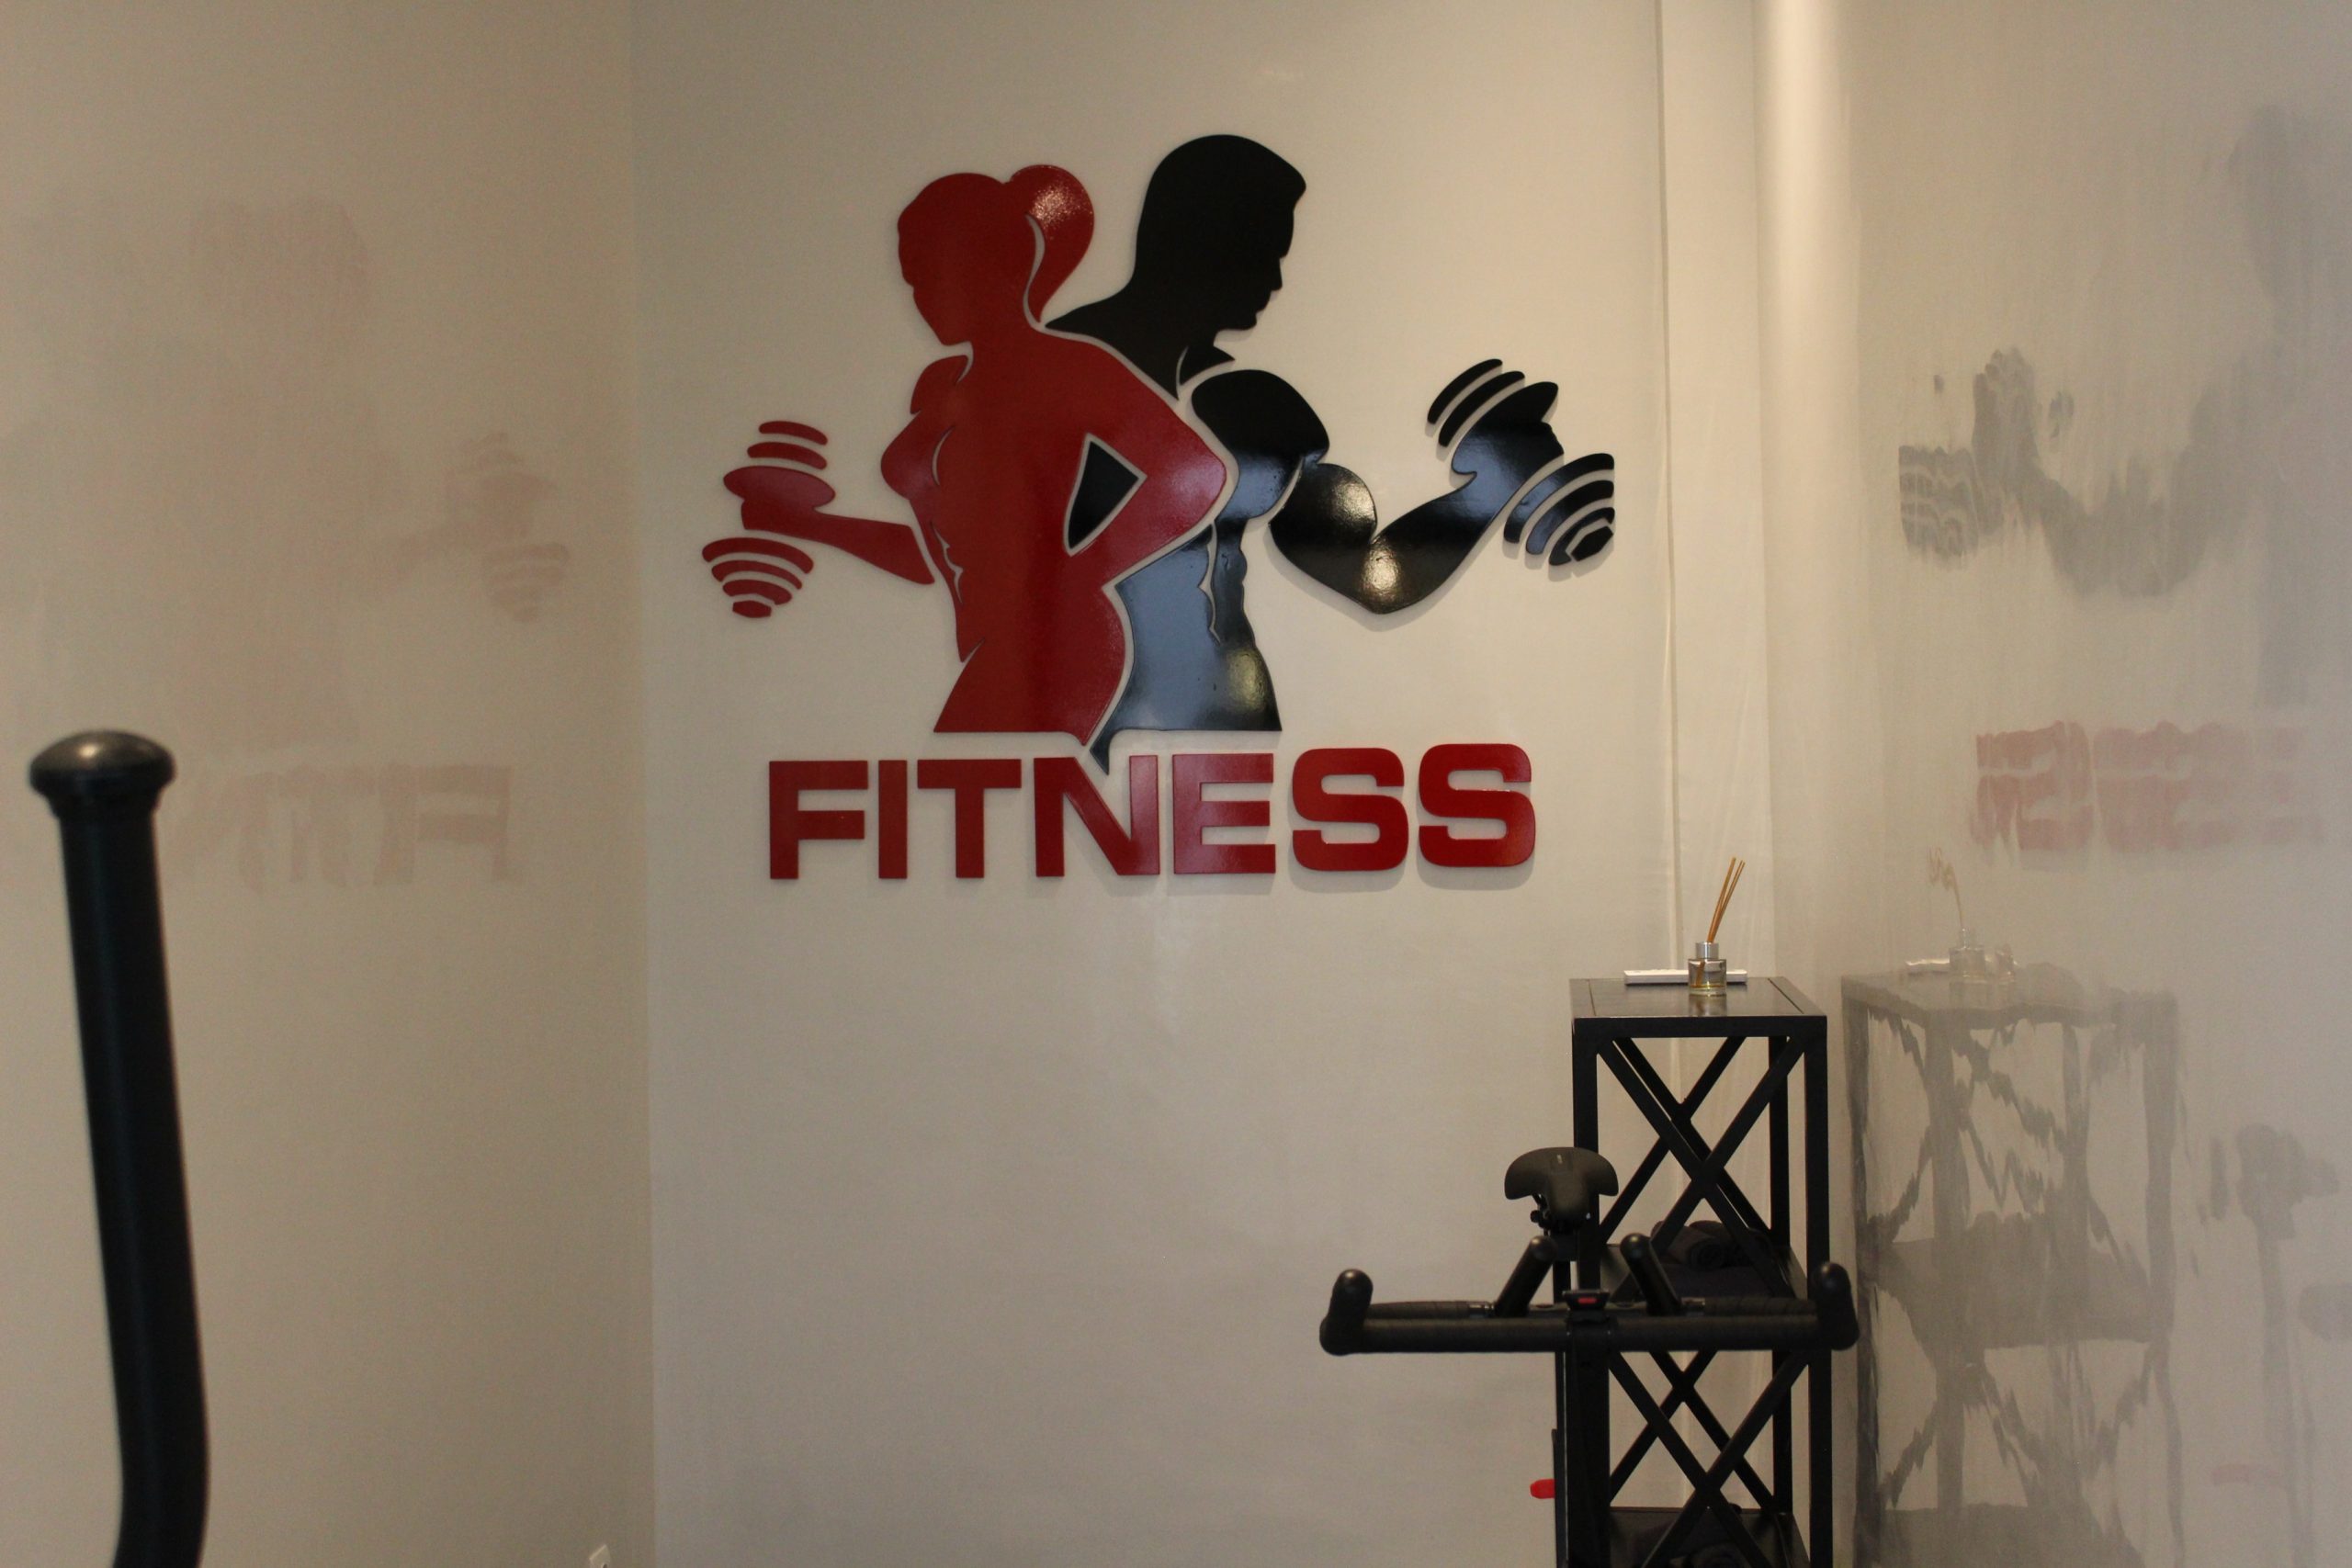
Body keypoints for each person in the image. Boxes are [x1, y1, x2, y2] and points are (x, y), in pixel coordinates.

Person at [1049, 135, 1616, 761]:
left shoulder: (1248, 401)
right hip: (1080, 729)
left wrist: (1491, 486)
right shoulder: (1049, 372)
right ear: (1200, 242)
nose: (1274, 281)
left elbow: (1370, 575)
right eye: (1261, 256)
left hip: (1226, 733)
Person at [716, 166, 1226, 745]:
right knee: (985, 793)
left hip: (1055, 645)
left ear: (995, 269)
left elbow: (1196, 471)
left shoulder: (1066, 369)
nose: (921, 298)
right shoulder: (940, 388)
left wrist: (1078, 570)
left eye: (932, 277)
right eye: (913, 282)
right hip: (997, 642)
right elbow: (932, 558)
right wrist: (804, 525)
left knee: (980, 786)